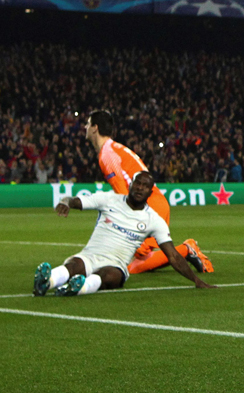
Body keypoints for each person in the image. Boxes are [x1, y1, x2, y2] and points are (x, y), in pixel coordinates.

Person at [33, 171, 215, 296]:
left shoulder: (154, 220)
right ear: (130, 185)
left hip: (116, 265)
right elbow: (75, 200)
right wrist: (65, 202)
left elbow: (173, 256)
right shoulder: (109, 199)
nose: (140, 188)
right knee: (74, 266)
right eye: (137, 183)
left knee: (108, 275)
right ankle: (46, 283)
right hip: (89, 256)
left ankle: (77, 288)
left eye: (145, 186)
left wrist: (196, 280)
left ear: (150, 192)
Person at [85, 111, 213, 275]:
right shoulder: (113, 149)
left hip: (149, 205)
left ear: (95, 128)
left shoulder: (107, 155)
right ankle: (186, 250)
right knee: (135, 260)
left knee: (131, 267)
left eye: (88, 124)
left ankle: (187, 249)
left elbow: (123, 193)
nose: (85, 127)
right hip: (153, 202)